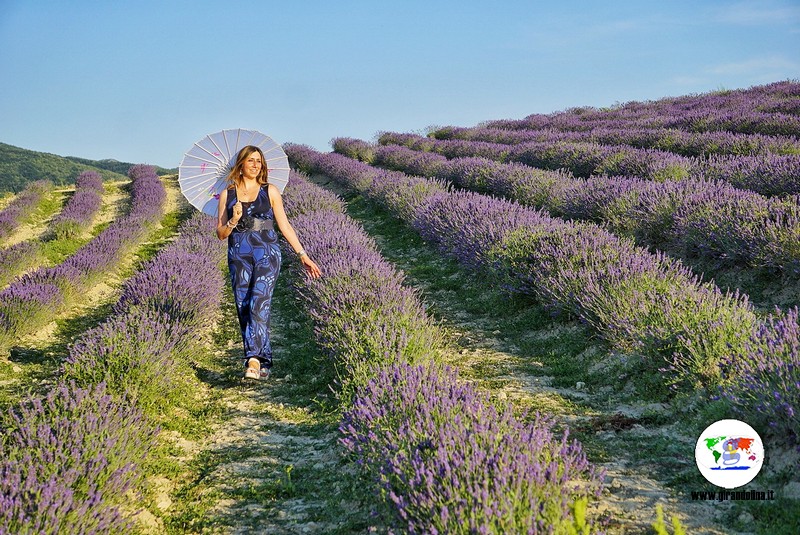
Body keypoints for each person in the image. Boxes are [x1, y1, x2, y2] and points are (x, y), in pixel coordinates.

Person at [216, 145, 321, 380]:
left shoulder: (270, 191)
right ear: (240, 164)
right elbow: (221, 233)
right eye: (251, 161)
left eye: (259, 161)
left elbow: (284, 226)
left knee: (258, 303)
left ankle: (252, 360)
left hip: (267, 253)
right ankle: (263, 363)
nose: (256, 165)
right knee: (243, 305)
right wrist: (233, 219)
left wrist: (302, 254)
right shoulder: (227, 194)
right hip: (238, 254)